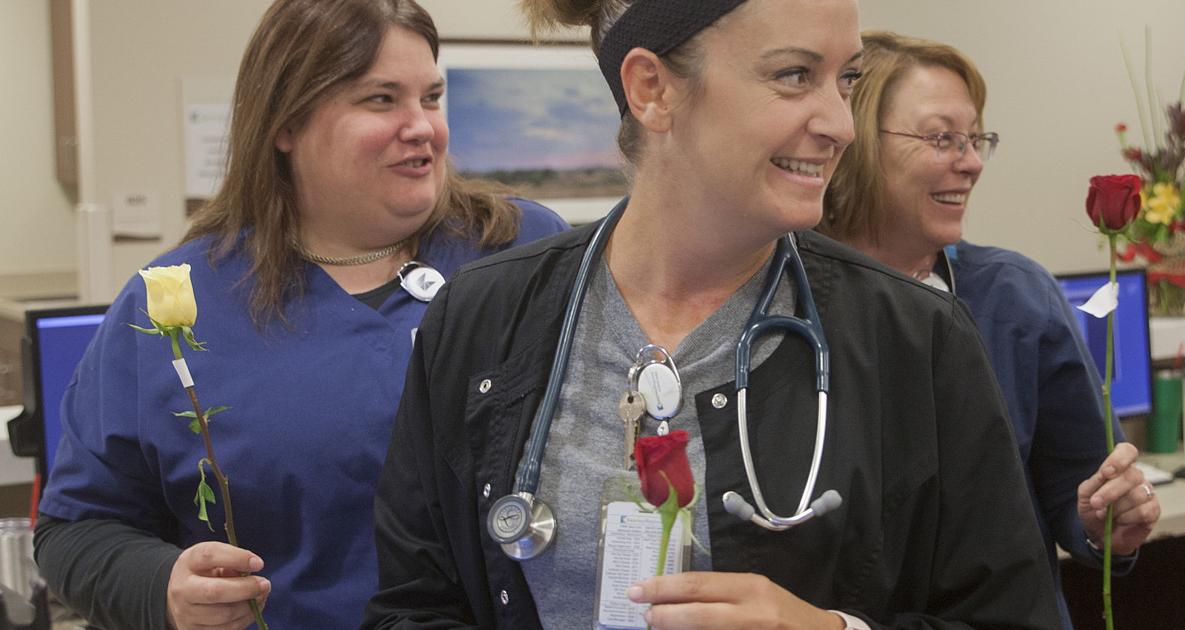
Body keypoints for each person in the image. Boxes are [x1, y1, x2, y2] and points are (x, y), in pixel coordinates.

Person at [364, 1, 1061, 628]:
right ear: (652, 90)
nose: (841, 125)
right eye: (794, 75)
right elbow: (411, 608)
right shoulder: (484, 320)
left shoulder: (915, 341)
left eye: (845, 79)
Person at [32, 0, 569, 628]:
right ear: (286, 123)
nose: (421, 125)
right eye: (381, 100)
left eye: (431, 97)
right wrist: (165, 588)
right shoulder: (182, 299)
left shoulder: (522, 251)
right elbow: (77, 527)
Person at [819, 30, 1161, 629]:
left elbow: (1073, 489)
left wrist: (1105, 524)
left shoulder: (1015, 296)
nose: (972, 162)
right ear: (856, 143)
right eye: (942, 138)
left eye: (976, 139)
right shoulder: (784, 299)